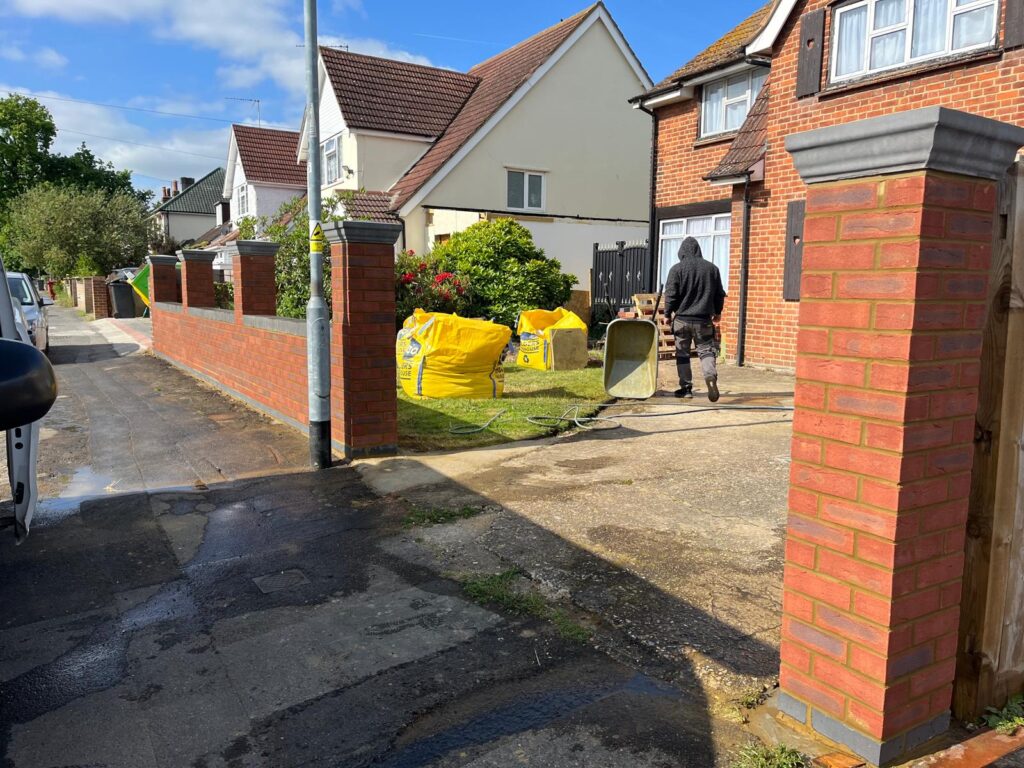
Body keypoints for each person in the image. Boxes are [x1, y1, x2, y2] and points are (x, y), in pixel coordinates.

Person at [662, 236, 726, 401]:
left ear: (681, 252)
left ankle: (686, 388)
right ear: (698, 250)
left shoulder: (677, 269)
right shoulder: (712, 269)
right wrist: (718, 312)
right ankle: (710, 377)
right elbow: (719, 294)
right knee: (706, 351)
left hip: (682, 320)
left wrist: (667, 314)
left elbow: (671, 294)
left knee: (682, 354)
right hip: (703, 320)